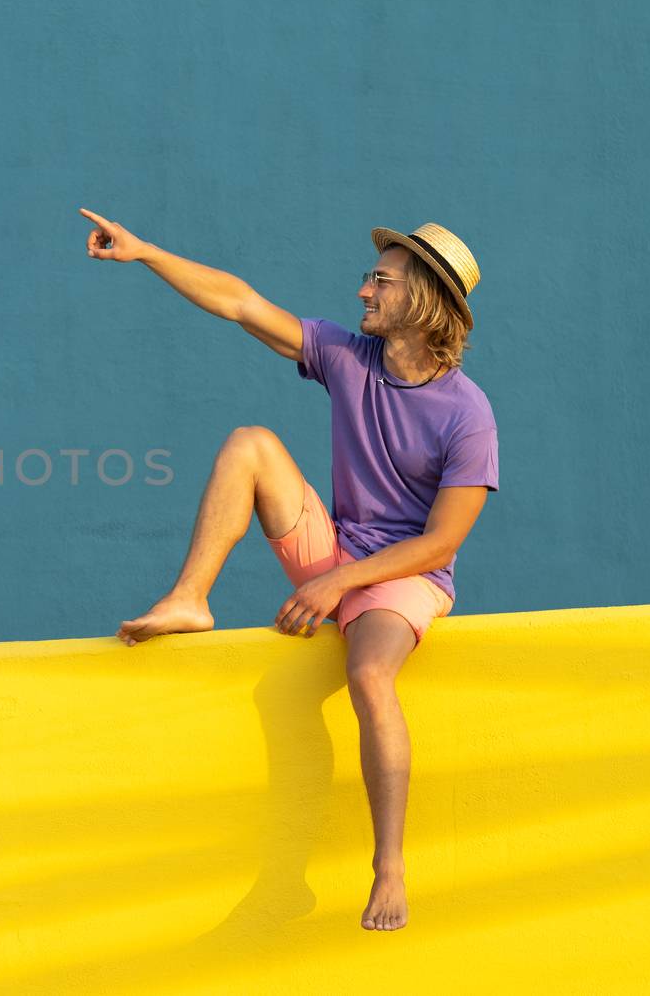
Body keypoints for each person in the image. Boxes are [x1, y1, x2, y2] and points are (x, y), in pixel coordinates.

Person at [80, 208, 499, 933]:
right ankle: (189, 598)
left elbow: (440, 544)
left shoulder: (468, 414)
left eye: (381, 281)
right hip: (338, 551)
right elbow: (240, 301)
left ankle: (389, 865)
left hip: (404, 576)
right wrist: (145, 251)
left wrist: (340, 583)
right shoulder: (347, 358)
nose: (364, 292)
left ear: (423, 299)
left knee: (369, 675)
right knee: (250, 443)